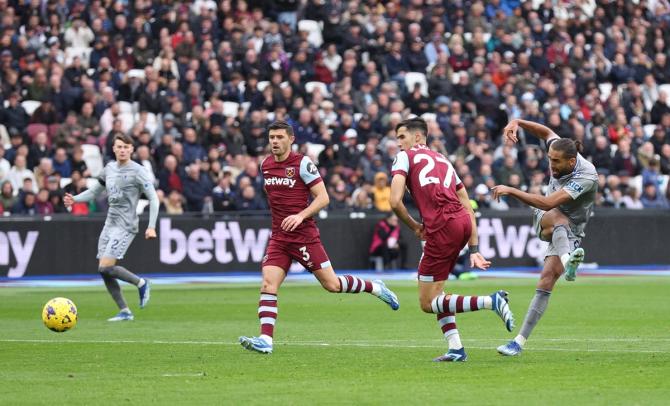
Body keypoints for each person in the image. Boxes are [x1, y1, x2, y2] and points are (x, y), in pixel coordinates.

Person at [239, 121, 400, 354]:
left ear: (291, 139)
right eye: (271, 137)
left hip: (304, 236)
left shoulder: (302, 164)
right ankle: (266, 339)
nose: (274, 141)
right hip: (280, 238)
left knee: (332, 285)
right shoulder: (266, 165)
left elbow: (323, 198)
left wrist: (300, 215)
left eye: (279, 137)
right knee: (268, 283)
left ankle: (375, 287)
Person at [390, 117, 514, 362]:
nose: (399, 144)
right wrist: (474, 247)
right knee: (439, 291)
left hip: (441, 226)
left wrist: (415, 226)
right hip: (461, 222)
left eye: (402, 137)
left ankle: (491, 301)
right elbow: (467, 204)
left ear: (417, 137)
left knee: (427, 302)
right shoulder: (443, 160)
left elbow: (394, 201)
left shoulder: (405, 157)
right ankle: (456, 348)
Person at [491, 119, 598, 356]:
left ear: (572, 161)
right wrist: (517, 121)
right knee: (558, 218)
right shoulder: (560, 149)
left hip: (570, 230)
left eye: (556, 161)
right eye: (549, 158)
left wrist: (511, 190)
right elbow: (546, 131)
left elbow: (549, 200)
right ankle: (568, 261)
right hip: (546, 218)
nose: (551, 164)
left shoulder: (586, 176)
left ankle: (517, 342)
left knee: (545, 282)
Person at [64, 134, 159, 322]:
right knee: (103, 269)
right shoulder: (109, 169)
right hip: (110, 223)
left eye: (126, 147)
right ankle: (125, 310)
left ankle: (141, 283)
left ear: (131, 149)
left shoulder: (138, 171)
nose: (122, 150)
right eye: (119, 147)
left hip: (126, 225)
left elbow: (154, 198)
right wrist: (75, 199)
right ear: (114, 149)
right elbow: (94, 192)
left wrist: (151, 226)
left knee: (106, 266)